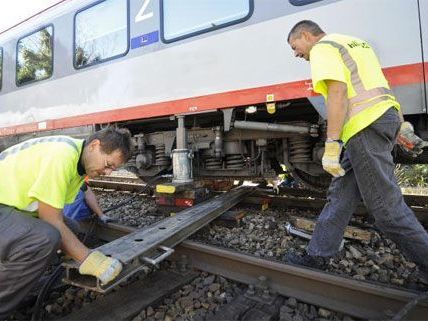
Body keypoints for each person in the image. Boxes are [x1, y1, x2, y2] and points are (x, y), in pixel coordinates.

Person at [285, 20, 428, 280]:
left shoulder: (323, 49)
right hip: (384, 119)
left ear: (306, 35)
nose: (296, 54)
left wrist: (331, 143)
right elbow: (382, 89)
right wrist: (402, 125)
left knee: (387, 211)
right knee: (341, 194)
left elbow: (338, 94)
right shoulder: (355, 44)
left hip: (364, 128)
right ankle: (318, 254)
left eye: (296, 46)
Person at [0, 127, 132, 319]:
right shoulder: (62, 156)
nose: (108, 171)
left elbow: (54, 214)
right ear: (95, 145)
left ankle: (25, 271)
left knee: (71, 228)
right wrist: (90, 260)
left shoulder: (77, 164)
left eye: (112, 168)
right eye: (108, 164)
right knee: (45, 238)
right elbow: (51, 220)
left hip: (8, 205)